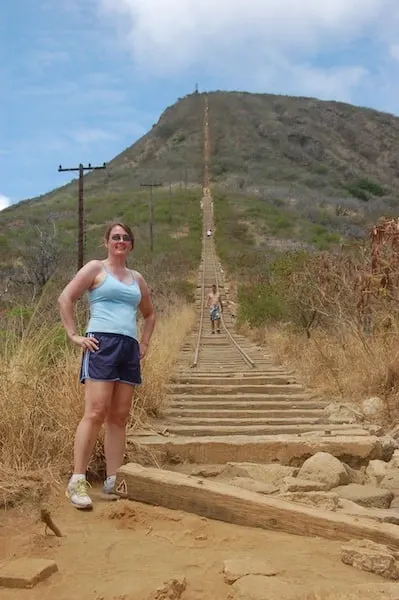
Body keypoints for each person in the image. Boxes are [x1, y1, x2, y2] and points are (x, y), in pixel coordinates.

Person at [58, 222, 156, 509]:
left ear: (131, 244)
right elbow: (66, 298)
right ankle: (77, 480)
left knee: (119, 416)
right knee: (96, 411)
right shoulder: (95, 269)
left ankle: (114, 480)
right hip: (100, 344)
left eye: (126, 237)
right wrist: (74, 334)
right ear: (107, 242)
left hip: (128, 348)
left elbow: (149, 315)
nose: (121, 241)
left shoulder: (137, 278)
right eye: (116, 237)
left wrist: (145, 343)